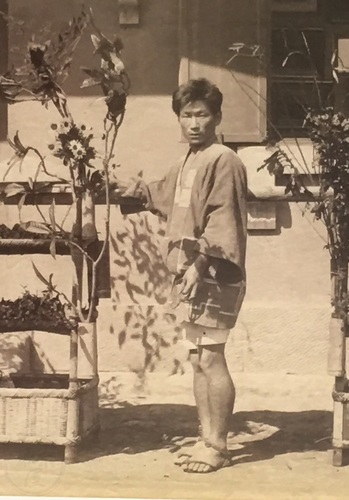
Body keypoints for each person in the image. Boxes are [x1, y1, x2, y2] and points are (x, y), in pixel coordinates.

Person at [116, 78, 247, 473]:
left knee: (211, 357)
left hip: (213, 271)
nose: (194, 123)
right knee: (198, 359)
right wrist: (121, 185)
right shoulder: (189, 160)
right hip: (189, 273)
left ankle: (219, 445)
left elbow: (223, 221)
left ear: (217, 117)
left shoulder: (223, 159)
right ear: (179, 119)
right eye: (186, 115)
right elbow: (162, 194)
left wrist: (200, 265)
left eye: (202, 115)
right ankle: (207, 439)